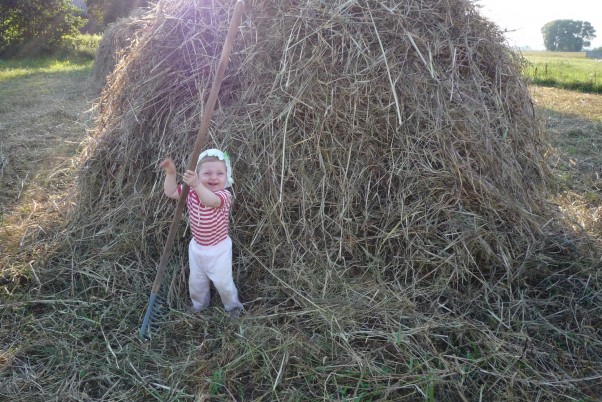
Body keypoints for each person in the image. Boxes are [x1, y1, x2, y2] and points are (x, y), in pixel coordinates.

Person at [160, 148, 243, 319]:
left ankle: (233, 306)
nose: (214, 177)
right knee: (196, 282)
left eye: (220, 173)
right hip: (197, 248)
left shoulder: (224, 195)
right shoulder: (190, 191)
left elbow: (210, 201)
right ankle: (199, 305)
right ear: (197, 174)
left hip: (218, 250)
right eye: (207, 173)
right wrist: (171, 173)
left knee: (223, 282)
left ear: (227, 177)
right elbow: (170, 192)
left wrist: (197, 184)